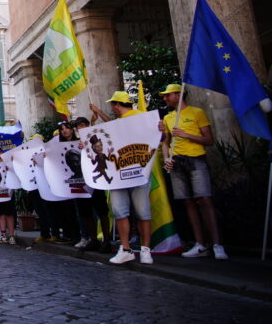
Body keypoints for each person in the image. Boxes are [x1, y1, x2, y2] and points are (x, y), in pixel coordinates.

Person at [159, 84, 228, 260]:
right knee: (187, 202)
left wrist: (186, 134)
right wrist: (166, 158)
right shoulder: (168, 118)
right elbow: (166, 142)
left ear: (178, 95)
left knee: (205, 200)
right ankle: (200, 244)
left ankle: (217, 244)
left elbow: (209, 140)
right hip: (177, 162)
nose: (165, 98)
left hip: (196, 160)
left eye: (168, 95)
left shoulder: (197, 113)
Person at [90, 91, 153, 265]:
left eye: (112, 105)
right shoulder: (135, 118)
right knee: (126, 211)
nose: (112, 109)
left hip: (133, 171)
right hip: (124, 172)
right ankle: (133, 250)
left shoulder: (139, 117)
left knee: (134, 211)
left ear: (117, 105)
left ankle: (138, 249)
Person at [73, 116, 112, 253]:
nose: (80, 128)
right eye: (78, 126)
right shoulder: (75, 142)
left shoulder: (94, 139)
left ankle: (107, 240)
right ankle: (93, 239)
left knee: (102, 211)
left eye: (83, 125)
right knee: (86, 212)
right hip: (83, 181)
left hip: (96, 181)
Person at [0, 148, 17, 246]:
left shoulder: (8, 163)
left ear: (1, 153)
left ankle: (12, 235)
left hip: (8, 192)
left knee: (9, 214)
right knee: (0, 214)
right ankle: (3, 234)